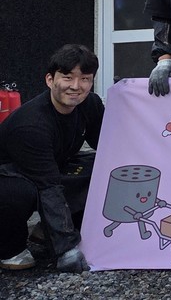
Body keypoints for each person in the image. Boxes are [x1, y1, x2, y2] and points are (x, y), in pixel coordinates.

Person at [0, 45, 102, 272]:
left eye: (85, 79)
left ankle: (43, 232)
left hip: (48, 168)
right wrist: (67, 250)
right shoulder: (31, 125)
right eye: (67, 77)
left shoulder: (90, 105)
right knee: (20, 193)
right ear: (50, 80)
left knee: (100, 168)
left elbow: (108, 146)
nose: (76, 86)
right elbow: (48, 186)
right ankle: (8, 247)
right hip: (9, 174)